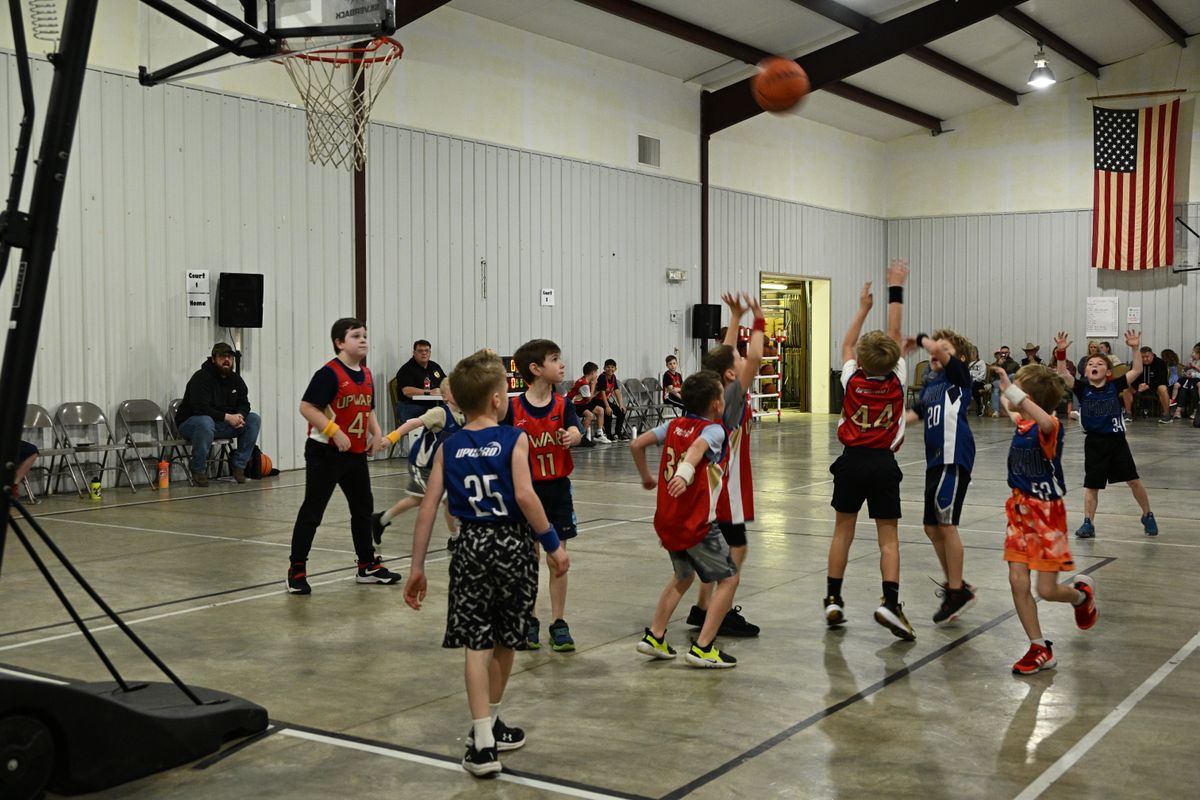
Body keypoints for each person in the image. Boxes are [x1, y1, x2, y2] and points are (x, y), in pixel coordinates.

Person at [403, 349, 569, 777]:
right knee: (506, 638)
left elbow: (427, 508)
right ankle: (489, 722)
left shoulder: (449, 446)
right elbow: (526, 496)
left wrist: (417, 566)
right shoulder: (515, 439)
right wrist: (553, 545)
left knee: (476, 643)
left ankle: (483, 738)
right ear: (497, 400)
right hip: (513, 545)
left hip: (471, 546)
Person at [824, 260, 913, 641]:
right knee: (888, 539)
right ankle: (890, 602)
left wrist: (863, 307)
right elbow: (895, 331)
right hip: (882, 464)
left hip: (851, 462)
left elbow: (847, 344)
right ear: (894, 359)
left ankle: (833, 598)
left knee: (842, 532)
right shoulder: (897, 380)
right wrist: (896, 287)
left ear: (859, 360)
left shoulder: (852, 379)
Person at [991, 363, 1097, 675]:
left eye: (1020, 390)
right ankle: (1039, 647)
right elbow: (1011, 406)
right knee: (1017, 581)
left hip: (1047, 516)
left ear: (1030, 398)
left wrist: (1013, 391)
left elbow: (1045, 420)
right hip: (1019, 512)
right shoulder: (1023, 422)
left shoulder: (1049, 427)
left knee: (1048, 591)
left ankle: (1081, 597)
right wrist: (1006, 387)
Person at [631, 370, 738, 668]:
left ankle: (655, 635)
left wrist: (646, 477)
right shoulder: (714, 431)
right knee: (729, 578)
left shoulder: (673, 425)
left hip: (668, 519)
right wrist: (684, 473)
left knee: (683, 576)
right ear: (716, 404)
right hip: (696, 522)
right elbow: (696, 448)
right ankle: (704, 648)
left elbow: (636, 444)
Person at [286, 318, 399, 595]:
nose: (363, 340)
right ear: (339, 343)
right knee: (313, 511)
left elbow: (368, 408)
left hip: (355, 454)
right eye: (356, 336)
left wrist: (376, 432)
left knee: (362, 509)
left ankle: (366, 565)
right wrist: (333, 431)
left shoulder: (366, 374)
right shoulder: (329, 374)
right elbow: (307, 407)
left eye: (364, 335)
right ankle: (296, 569)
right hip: (325, 453)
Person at [685, 292, 764, 638]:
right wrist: (758, 320)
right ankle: (721, 612)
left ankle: (702, 608)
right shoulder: (731, 398)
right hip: (726, 488)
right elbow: (756, 357)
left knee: (715, 550)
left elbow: (725, 354)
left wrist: (734, 318)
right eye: (738, 359)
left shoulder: (711, 386)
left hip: (711, 484)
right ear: (732, 373)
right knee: (735, 551)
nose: (743, 358)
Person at [503, 339, 584, 652]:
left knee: (558, 559)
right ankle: (530, 618)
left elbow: (576, 431)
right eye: (554, 359)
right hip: (525, 492)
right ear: (536, 369)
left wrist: (573, 436)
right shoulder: (512, 409)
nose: (561, 364)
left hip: (557, 491)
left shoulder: (563, 405)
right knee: (528, 558)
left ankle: (558, 621)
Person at [1054, 330, 1158, 539]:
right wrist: (1061, 352)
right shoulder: (1082, 389)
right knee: (1092, 485)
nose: (1094, 365)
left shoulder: (1114, 386)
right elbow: (1063, 374)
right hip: (1094, 443)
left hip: (1117, 442)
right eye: (1091, 364)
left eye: (1100, 364)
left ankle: (1147, 514)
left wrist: (1135, 348)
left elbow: (1137, 369)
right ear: (1085, 370)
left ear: (1108, 371)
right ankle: (1088, 523)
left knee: (1133, 481)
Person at [906, 329, 977, 625]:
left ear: (959, 359)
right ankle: (956, 586)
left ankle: (956, 590)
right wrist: (885, 429)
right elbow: (915, 414)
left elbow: (939, 352)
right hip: (934, 460)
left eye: (944, 349)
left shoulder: (959, 377)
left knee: (947, 524)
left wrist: (922, 339)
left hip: (954, 456)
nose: (935, 352)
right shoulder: (931, 385)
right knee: (931, 527)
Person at [370, 381, 464, 552]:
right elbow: (413, 423)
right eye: (455, 390)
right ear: (444, 397)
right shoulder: (439, 413)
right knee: (447, 500)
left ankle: (381, 519)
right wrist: (391, 438)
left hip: (442, 468)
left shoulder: (466, 415)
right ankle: (455, 538)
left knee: (417, 499)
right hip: (423, 466)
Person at [175, 342, 262, 486]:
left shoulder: (236, 379)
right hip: (192, 424)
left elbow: (244, 403)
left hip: (221, 425)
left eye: (230, 357)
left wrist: (240, 416)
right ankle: (198, 469)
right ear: (213, 359)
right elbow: (200, 408)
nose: (227, 360)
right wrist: (228, 417)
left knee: (253, 419)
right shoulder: (201, 377)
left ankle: (239, 465)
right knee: (205, 422)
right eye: (222, 356)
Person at [394, 339, 447, 423]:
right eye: (420, 351)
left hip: (433, 406)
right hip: (411, 406)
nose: (424, 353)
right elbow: (407, 391)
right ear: (414, 353)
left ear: (430, 352)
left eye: (426, 350)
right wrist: (430, 392)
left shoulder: (434, 366)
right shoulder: (406, 369)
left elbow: (446, 383)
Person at [1121, 346, 1171, 423]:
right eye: (1142, 357)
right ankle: (1128, 413)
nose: (1144, 359)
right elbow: (1131, 377)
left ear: (1152, 355)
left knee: (1163, 388)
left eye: (1147, 357)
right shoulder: (1136, 363)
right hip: (1139, 388)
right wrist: (1138, 385)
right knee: (1126, 387)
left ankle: (1166, 414)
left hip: (1155, 388)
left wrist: (1148, 386)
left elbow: (1162, 380)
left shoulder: (1161, 363)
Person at [566, 362, 608, 444]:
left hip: (581, 402)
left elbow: (587, 399)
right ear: (592, 373)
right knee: (589, 415)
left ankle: (599, 434)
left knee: (600, 410)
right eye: (596, 373)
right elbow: (589, 399)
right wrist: (593, 385)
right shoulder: (584, 384)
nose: (596, 375)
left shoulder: (585, 380)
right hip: (572, 405)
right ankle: (580, 437)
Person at [596, 359, 628, 440]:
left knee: (621, 411)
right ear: (604, 368)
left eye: (612, 367)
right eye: (608, 367)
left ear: (615, 369)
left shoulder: (613, 377)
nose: (610, 369)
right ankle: (608, 434)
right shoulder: (602, 377)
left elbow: (616, 391)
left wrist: (621, 404)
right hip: (597, 400)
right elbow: (602, 393)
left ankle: (617, 433)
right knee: (608, 411)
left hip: (604, 400)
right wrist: (607, 406)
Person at [990, 346, 1019, 417]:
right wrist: (998, 365)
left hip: (1009, 382)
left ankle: (1014, 409)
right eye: (1002, 353)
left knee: (1013, 375)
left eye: (1006, 352)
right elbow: (992, 375)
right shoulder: (995, 364)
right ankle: (996, 411)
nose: (1004, 354)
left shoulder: (1014, 364)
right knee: (996, 388)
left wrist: (1004, 365)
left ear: (1009, 353)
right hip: (999, 382)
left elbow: (1018, 376)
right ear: (1000, 353)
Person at [967, 345, 989, 417]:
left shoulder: (981, 362)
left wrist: (974, 379)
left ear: (977, 353)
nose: (973, 353)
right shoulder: (966, 363)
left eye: (974, 352)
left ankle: (980, 405)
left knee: (974, 386)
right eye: (971, 352)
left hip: (979, 382)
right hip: (968, 381)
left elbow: (983, 375)